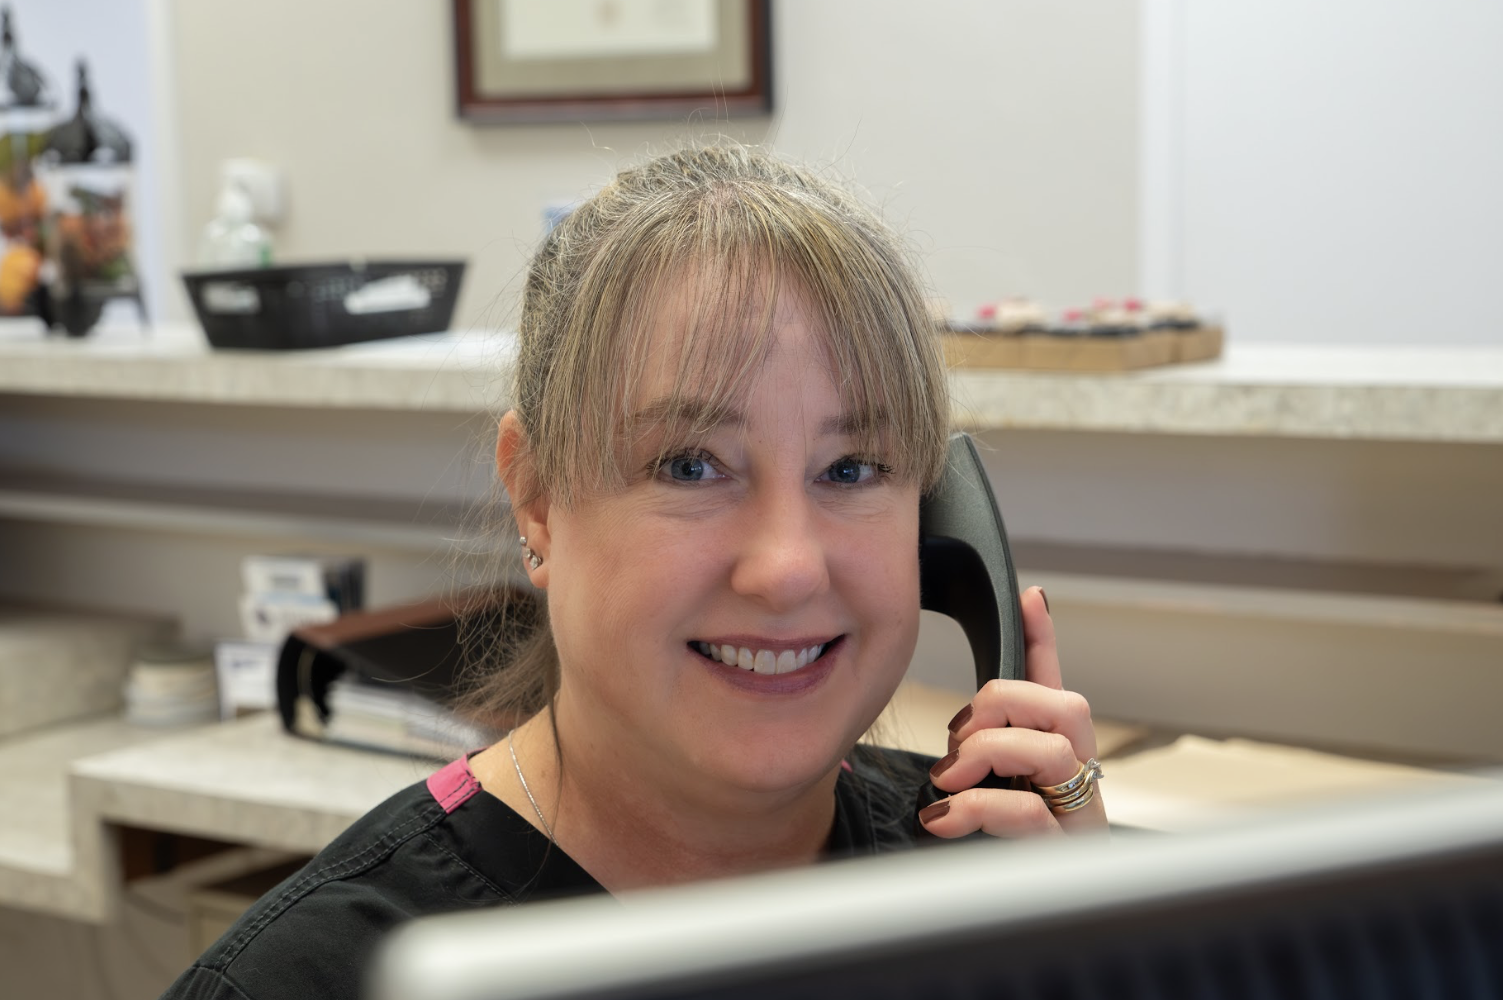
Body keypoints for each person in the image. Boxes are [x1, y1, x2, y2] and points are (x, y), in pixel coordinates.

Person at [158, 144, 1104, 1000]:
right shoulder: (305, 981)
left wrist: (1108, 958)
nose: (785, 570)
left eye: (851, 469)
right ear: (537, 498)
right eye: (690, 466)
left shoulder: (1003, 884)